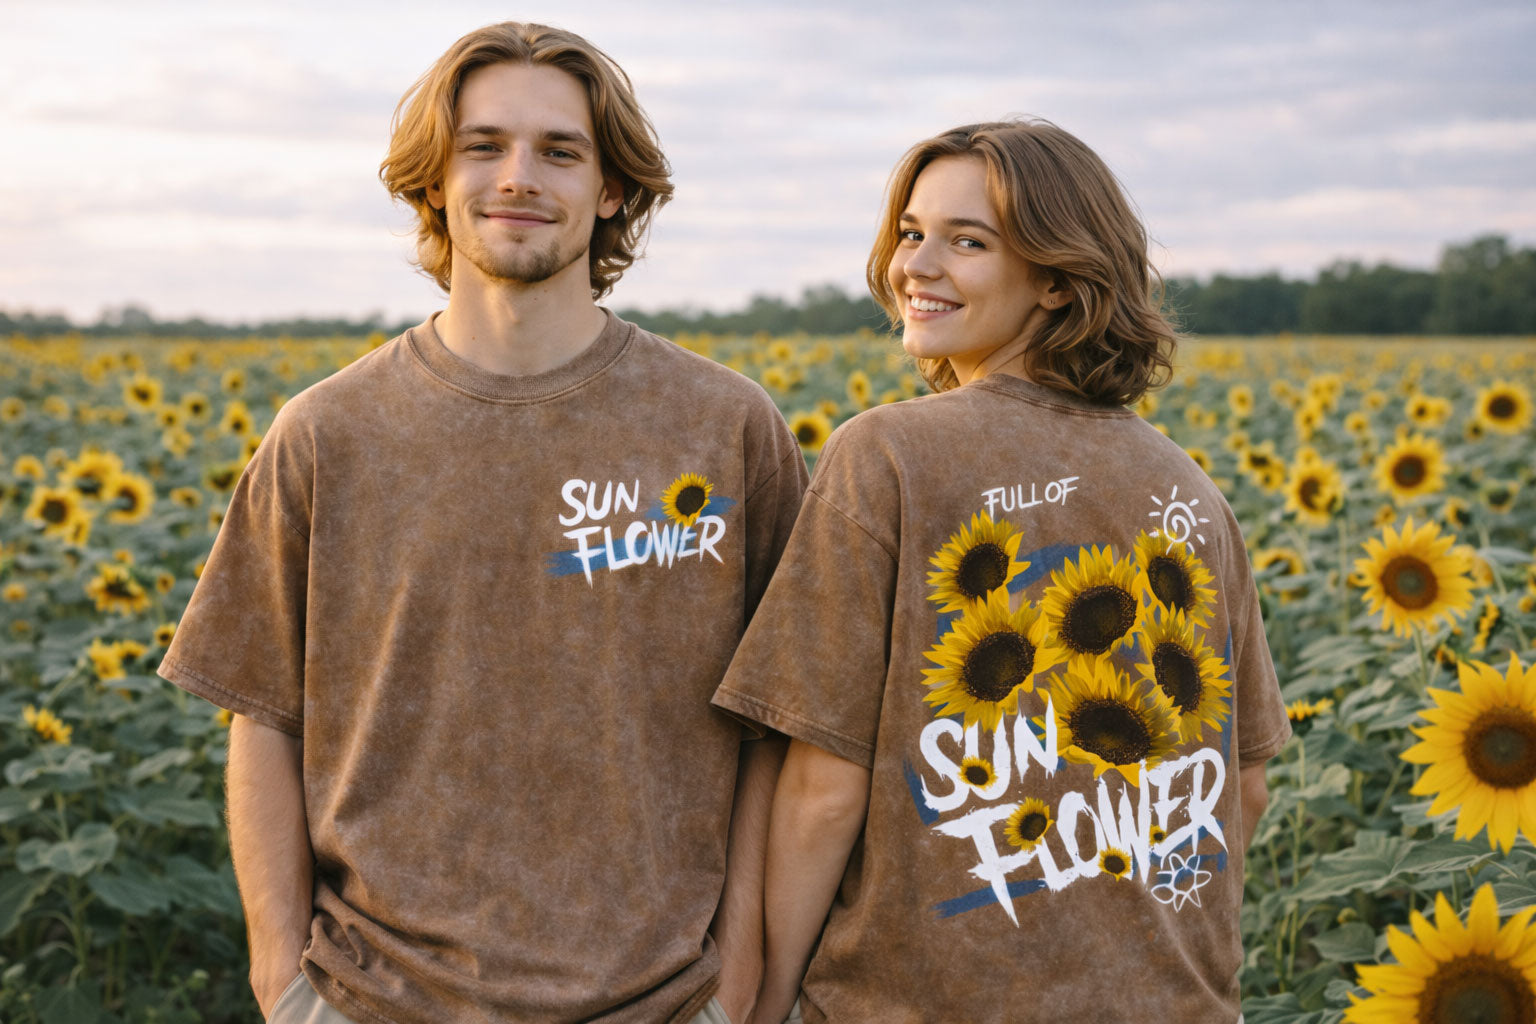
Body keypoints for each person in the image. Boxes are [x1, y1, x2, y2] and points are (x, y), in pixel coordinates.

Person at [159, 22, 806, 1024]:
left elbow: (779, 730)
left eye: (561, 151)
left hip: (664, 1004)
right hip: (374, 1000)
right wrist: (283, 985)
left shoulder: (726, 429)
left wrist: (739, 991)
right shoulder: (326, 435)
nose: (520, 177)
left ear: (613, 189)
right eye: (483, 146)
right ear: (433, 180)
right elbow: (262, 717)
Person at [713, 120, 1290, 1024]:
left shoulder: (891, 458)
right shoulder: (1191, 491)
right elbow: (1242, 785)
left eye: (967, 241)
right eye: (911, 233)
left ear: (1058, 278)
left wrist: (768, 1000)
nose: (917, 266)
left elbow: (824, 789)